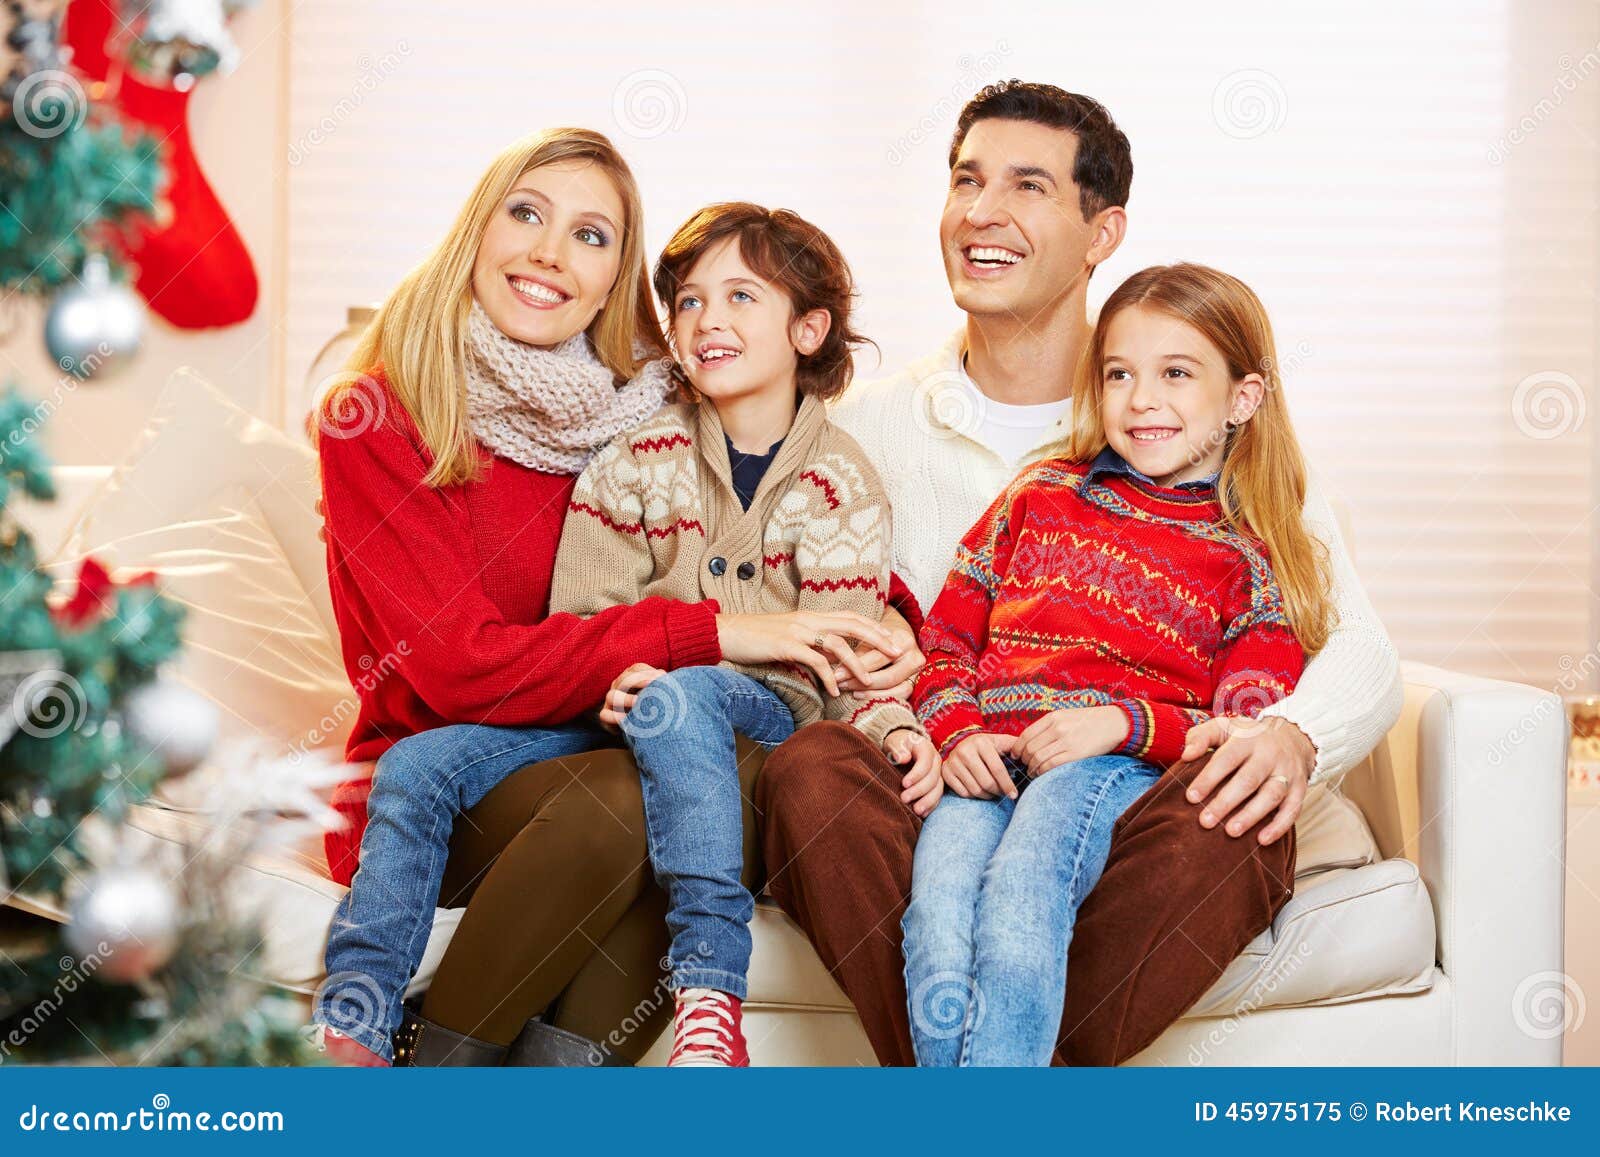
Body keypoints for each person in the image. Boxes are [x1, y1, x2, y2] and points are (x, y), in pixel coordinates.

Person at [755, 81, 1403, 1065]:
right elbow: (809, 631)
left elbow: (1356, 645)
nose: (982, 212)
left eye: (1027, 186)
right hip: (949, 778)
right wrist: (904, 715)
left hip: (1122, 797)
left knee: (1234, 811)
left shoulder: (1210, 438)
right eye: (965, 180)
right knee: (811, 772)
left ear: (1103, 232)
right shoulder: (861, 430)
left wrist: (1291, 734)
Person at [308, 129, 904, 1066]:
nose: (550, 253)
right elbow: (455, 668)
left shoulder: (638, 402)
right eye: (527, 214)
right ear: (476, 231)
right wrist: (717, 634)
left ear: (613, 281)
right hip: (452, 772)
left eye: (590, 235)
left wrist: (888, 624)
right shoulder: (380, 417)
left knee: (703, 771)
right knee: (632, 796)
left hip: (610, 730)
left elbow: (763, 528)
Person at [903, 262, 1329, 1065]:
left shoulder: (1248, 557)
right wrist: (957, 732)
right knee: (937, 921)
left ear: (1243, 398)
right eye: (1119, 374)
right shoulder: (1038, 495)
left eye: (1177, 374)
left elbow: (1243, 725)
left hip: (1104, 770)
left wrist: (1123, 724)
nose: (1141, 400)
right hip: (988, 763)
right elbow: (946, 641)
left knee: (1020, 903)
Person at [548, 203, 941, 1065]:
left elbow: (847, 657)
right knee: (666, 697)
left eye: (740, 297)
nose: (707, 320)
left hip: (772, 724)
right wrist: (610, 671)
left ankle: (707, 986)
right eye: (689, 301)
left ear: (808, 330)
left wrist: (894, 725)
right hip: (650, 721)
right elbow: (579, 625)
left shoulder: (840, 483)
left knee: (689, 686)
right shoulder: (633, 462)